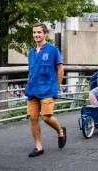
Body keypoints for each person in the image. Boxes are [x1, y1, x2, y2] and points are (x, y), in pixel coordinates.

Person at [25, 23, 66, 157]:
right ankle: (38, 146)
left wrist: (57, 86)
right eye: (34, 32)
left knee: (46, 117)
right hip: (32, 90)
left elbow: (60, 69)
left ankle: (60, 131)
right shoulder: (31, 53)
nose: (36, 35)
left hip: (48, 89)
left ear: (45, 34)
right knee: (33, 117)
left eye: (39, 32)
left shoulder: (53, 50)